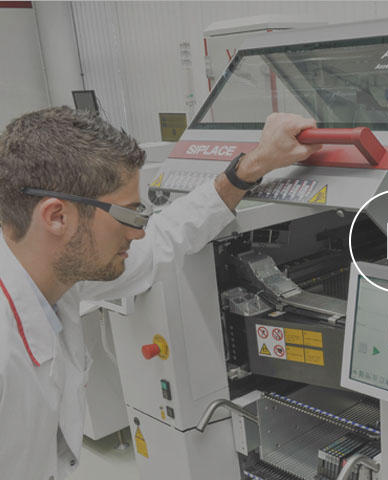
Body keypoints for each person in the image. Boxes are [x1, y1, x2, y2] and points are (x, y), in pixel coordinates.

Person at [0, 106, 321, 479]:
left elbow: (162, 240)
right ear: (57, 217)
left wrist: (250, 168)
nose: (138, 232)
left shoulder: (52, 271)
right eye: (128, 215)